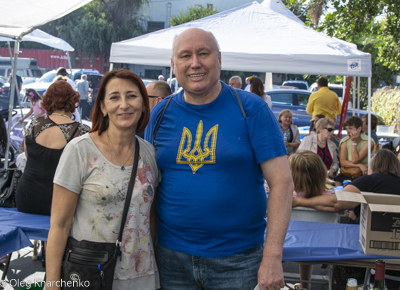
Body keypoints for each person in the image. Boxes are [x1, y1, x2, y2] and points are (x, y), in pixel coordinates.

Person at [145, 27, 293, 290]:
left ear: (219, 59)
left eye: (203, 53)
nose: (195, 63)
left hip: (240, 261)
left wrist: (272, 256)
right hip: (171, 259)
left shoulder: (251, 109)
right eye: (185, 56)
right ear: (173, 64)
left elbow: (282, 183)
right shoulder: (160, 113)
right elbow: (147, 186)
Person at [46, 69, 159, 290]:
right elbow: (59, 225)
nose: (124, 104)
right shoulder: (80, 151)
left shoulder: (149, 153)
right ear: (103, 107)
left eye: (132, 96)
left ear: (144, 105)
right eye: (114, 97)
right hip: (91, 272)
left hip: (141, 275)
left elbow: (150, 218)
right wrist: (52, 283)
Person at [15, 81, 90, 216]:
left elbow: (27, 155)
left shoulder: (34, 125)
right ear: (73, 102)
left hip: (26, 197)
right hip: (60, 201)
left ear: (47, 102)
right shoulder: (82, 131)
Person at [289, 150, 335, 289]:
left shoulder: (288, 196)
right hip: (323, 246)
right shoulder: (329, 195)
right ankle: (304, 285)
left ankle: (304, 285)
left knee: (301, 235)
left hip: (288, 244)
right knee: (308, 236)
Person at [334, 116, 375, 184]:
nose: (348, 131)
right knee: (337, 184)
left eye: (350, 128)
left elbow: (355, 160)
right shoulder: (344, 141)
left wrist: (354, 142)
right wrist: (359, 165)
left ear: (359, 129)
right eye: (346, 128)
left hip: (363, 174)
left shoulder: (368, 142)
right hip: (347, 172)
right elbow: (343, 162)